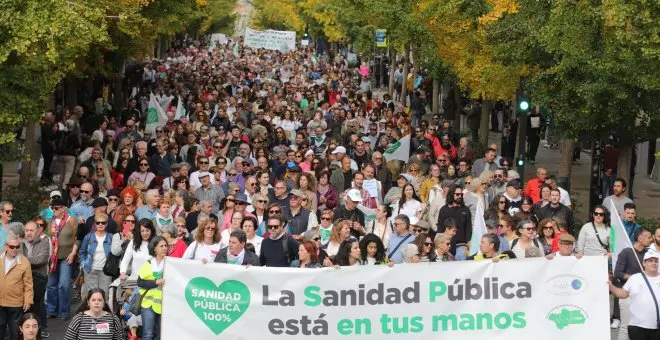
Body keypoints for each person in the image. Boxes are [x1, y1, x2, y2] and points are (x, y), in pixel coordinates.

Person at [609, 251, 660, 340]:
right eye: (650, 261)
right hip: (637, 326)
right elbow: (622, 294)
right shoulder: (635, 278)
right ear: (644, 263)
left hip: (657, 327)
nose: (654, 263)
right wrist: (611, 286)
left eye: (656, 261)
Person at [612, 228, 653, 336]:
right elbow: (618, 273)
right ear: (640, 238)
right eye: (649, 237)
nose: (651, 239)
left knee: (641, 327)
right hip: (627, 295)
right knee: (625, 327)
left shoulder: (649, 253)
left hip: (643, 296)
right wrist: (636, 278)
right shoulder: (626, 252)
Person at [46, 198, 78, 320]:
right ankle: (51, 310)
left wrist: (73, 253)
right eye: (52, 208)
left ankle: (64, 311)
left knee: (64, 285)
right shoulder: (49, 222)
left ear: (64, 208)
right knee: (51, 285)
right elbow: (45, 238)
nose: (54, 210)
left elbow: (78, 238)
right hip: (52, 258)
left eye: (57, 208)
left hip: (66, 257)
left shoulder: (71, 220)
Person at [0, 235, 33, 340]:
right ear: (6, 246)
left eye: (17, 247)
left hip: (16, 304)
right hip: (0, 303)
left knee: (15, 333)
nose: (14, 249)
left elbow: (28, 284)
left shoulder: (24, 262)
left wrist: (28, 300)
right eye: (11, 247)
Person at [137, 236, 168, 340]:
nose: (164, 248)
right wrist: (155, 282)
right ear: (154, 248)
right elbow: (140, 282)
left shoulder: (171, 263)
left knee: (162, 336)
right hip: (148, 304)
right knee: (148, 335)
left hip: (165, 305)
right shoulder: (148, 263)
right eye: (161, 246)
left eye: (165, 246)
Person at [22, 220, 50, 338]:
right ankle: (25, 330)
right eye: (27, 230)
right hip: (23, 277)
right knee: (25, 305)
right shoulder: (21, 242)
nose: (29, 233)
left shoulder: (44, 242)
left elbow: (41, 260)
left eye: (31, 230)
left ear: (37, 231)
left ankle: (40, 329)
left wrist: (22, 259)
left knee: (37, 305)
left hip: (38, 277)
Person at [79, 213, 113, 298]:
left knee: (105, 295)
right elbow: (82, 252)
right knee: (91, 295)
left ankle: (104, 311)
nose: (100, 224)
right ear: (95, 224)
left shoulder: (111, 237)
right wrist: (83, 263)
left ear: (107, 224)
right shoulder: (89, 237)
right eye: (98, 222)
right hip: (90, 269)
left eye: (103, 222)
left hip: (105, 271)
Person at [437, 186, 472, 260]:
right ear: (451, 194)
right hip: (447, 244)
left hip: (461, 245)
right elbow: (440, 229)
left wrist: (468, 243)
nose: (460, 196)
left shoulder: (466, 210)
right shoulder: (444, 210)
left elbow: (468, 229)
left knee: (460, 258)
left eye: (461, 194)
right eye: (457, 194)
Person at [119, 219, 156, 284]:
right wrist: (123, 273)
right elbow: (125, 260)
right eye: (142, 231)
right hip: (135, 280)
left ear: (151, 231)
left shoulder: (156, 242)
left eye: (147, 230)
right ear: (139, 231)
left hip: (151, 281)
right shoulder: (133, 242)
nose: (145, 233)